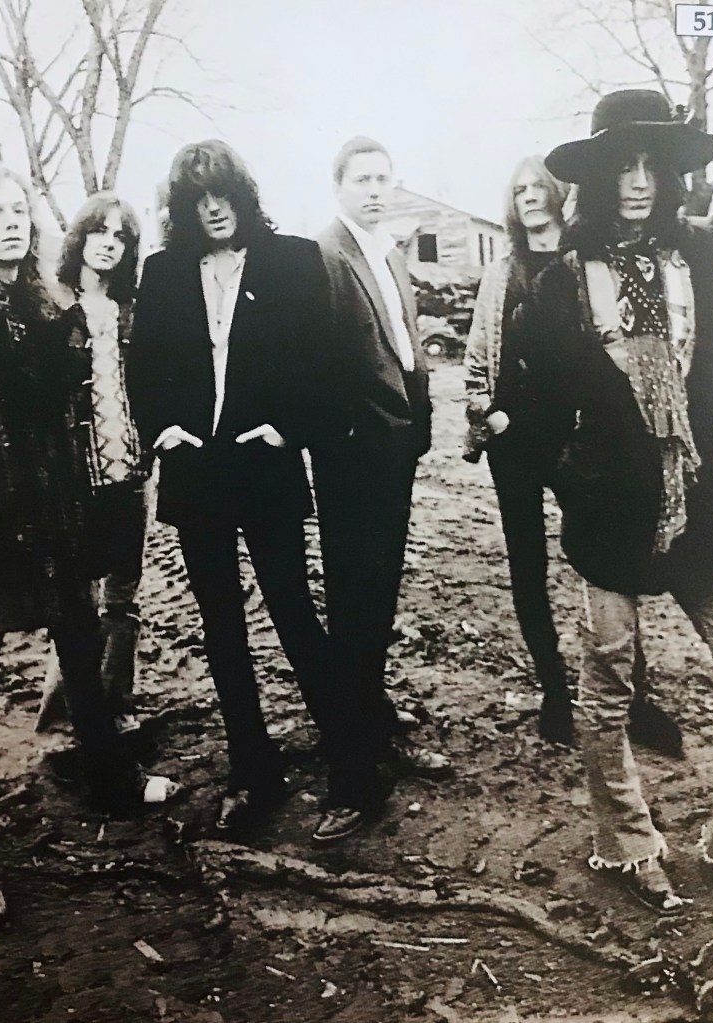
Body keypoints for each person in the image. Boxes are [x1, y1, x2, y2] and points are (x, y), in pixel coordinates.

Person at [498, 91, 713, 912]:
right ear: (597, 177)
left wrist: (706, 479)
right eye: (622, 165)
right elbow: (536, 407)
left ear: (672, 174)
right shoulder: (561, 281)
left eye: (652, 165)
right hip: (607, 513)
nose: (638, 181)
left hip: (694, 506)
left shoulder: (701, 256)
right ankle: (626, 845)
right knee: (608, 683)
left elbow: (710, 381)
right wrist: (576, 479)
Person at [0, 166, 177, 924]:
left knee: (82, 657)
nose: (12, 222)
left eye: (20, 210)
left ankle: (110, 780)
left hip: (53, 521)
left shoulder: (47, 310)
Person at [128, 140, 345, 835]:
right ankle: (253, 771)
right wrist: (162, 428)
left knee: (292, 610)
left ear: (243, 194)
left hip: (265, 465)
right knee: (221, 625)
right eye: (198, 198)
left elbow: (325, 359)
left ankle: (352, 762)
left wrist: (287, 428)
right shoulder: (163, 272)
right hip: (197, 472)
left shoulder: (293, 260)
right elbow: (143, 364)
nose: (213, 207)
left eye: (222, 192)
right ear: (183, 208)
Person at [464, 156, 684, 757]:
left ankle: (632, 697)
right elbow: (477, 363)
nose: (529, 196)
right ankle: (555, 694)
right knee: (527, 567)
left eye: (538, 186)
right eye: (518, 190)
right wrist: (493, 418)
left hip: (582, 441)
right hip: (515, 442)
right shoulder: (502, 271)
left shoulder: (587, 262)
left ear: (559, 193)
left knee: (609, 563)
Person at [310, 137, 433, 843]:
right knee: (353, 604)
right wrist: (346, 434)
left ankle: (374, 724)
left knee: (379, 595)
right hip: (353, 458)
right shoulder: (325, 255)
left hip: (397, 449)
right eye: (362, 179)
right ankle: (350, 773)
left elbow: (407, 349)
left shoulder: (388, 252)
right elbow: (317, 362)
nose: (376, 189)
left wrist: (418, 426)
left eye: (384, 178)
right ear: (338, 186)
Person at [36, 193, 150, 736]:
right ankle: (66, 719)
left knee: (122, 597)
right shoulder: (52, 308)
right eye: (100, 231)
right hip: (73, 478)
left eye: (121, 236)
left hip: (128, 473)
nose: (109, 244)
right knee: (76, 604)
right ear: (79, 237)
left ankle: (116, 705)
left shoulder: (133, 310)